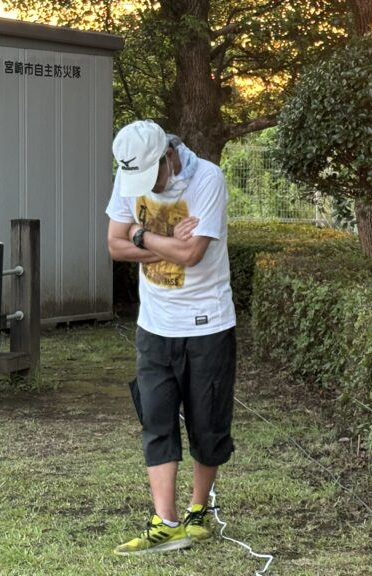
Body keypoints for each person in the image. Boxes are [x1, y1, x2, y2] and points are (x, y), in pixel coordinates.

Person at [105, 120, 237, 556]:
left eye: (153, 176)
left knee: (207, 423)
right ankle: (165, 522)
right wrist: (158, 238)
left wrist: (139, 234)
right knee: (156, 419)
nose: (146, 187)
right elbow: (114, 245)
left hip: (207, 324)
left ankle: (198, 511)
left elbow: (192, 253)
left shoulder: (207, 179)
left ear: (168, 156)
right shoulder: (129, 175)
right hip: (154, 324)